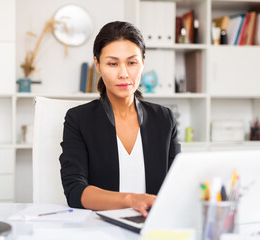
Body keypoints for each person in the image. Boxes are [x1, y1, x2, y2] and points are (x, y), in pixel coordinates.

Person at [59, 21, 181, 217]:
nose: (124, 74)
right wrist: (131, 200)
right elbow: (75, 190)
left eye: (132, 63)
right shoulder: (78, 119)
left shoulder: (164, 119)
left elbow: (177, 183)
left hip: (151, 224)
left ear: (143, 62)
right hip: (99, 226)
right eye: (113, 63)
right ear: (98, 65)